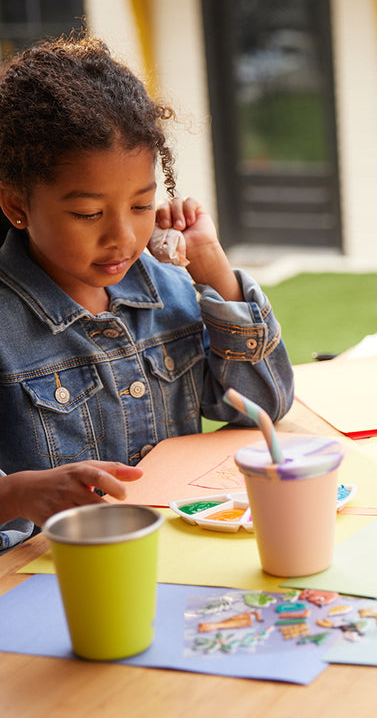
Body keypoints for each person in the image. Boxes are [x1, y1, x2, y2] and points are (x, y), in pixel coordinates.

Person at [0, 35, 294, 550]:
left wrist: (215, 273)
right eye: (88, 214)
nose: (123, 237)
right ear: (16, 205)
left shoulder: (173, 288)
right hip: (56, 579)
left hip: (181, 558)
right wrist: (18, 494)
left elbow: (265, 406)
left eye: (140, 206)